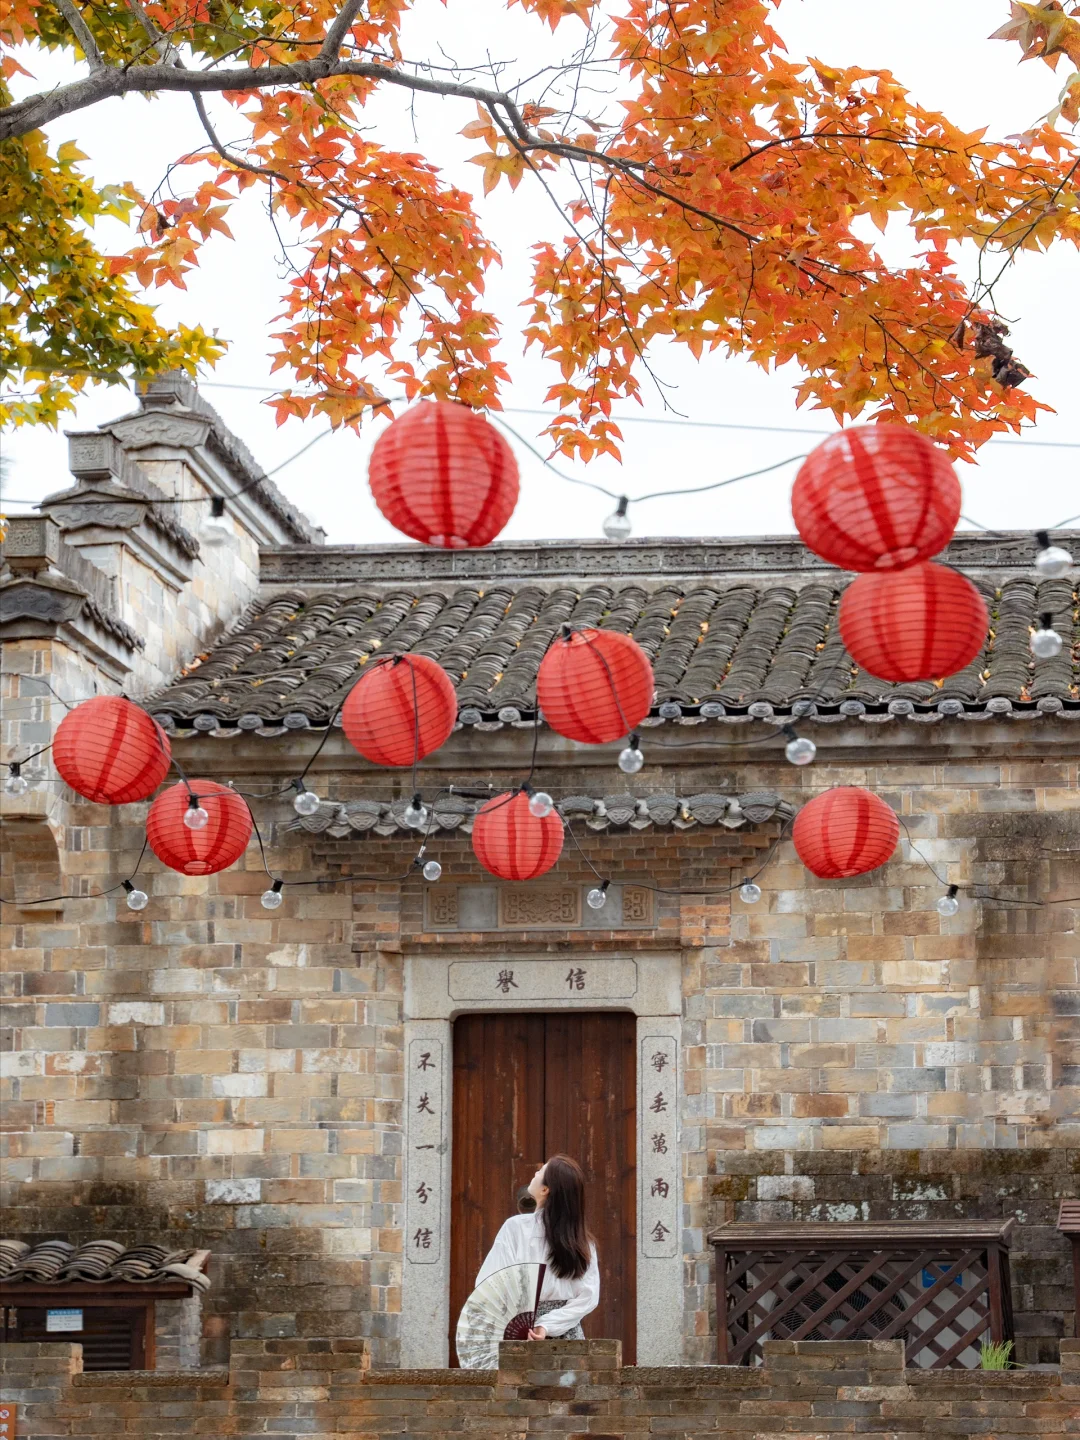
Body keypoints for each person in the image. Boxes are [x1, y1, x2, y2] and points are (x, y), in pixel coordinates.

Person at [474, 1154, 599, 1341]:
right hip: (567, 1335)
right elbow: (588, 1297)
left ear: (545, 1189)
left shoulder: (516, 1228)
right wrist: (545, 1326)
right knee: (569, 1372)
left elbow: (490, 1283)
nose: (535, 1172)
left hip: (522, 1331)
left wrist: (522, 1321)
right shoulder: (582, 1241)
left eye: (541, 1171)